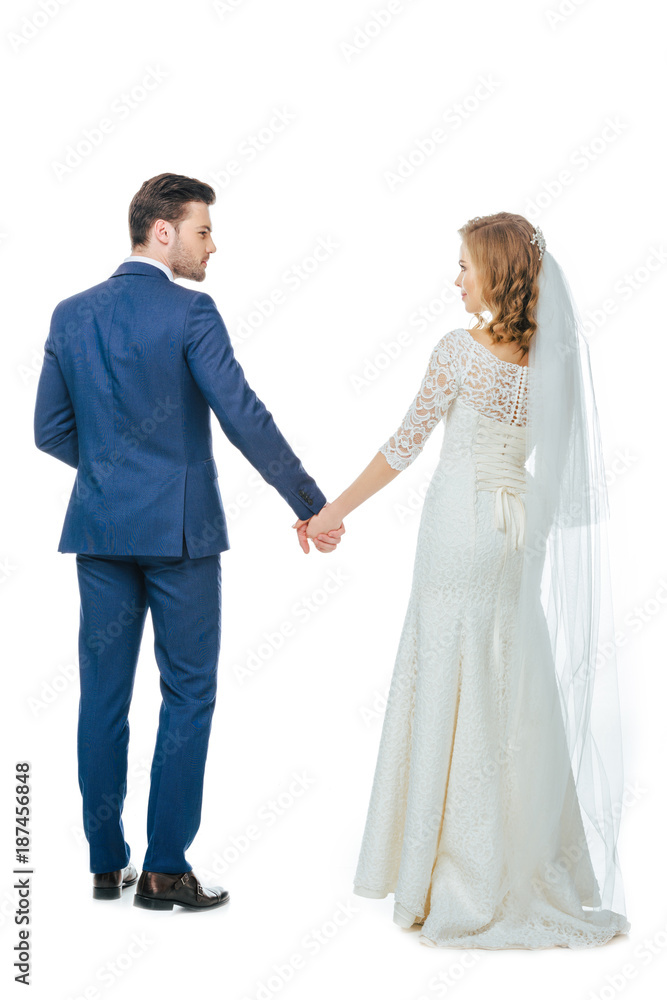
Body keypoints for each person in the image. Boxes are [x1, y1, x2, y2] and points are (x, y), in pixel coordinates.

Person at [295, 212, 631, 948]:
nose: (455, 277)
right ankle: (522, 860)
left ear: (496, 271)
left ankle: (446, 869)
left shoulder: (457, 352)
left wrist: (330, 512)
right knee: (509, 680)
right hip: (518, 531)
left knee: (446, 668)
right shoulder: (555, 356)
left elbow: (404, 444)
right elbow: (562, 458)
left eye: (463, 265)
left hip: (458, 527)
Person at [33, 172, 344, 911]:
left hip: (102, 531)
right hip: (180, 535)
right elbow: (242, 415)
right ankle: (166, 868)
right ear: (162, 232)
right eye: (204, 231)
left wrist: (113, 470)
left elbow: (48, 430)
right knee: (188, 692)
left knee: (101, 697)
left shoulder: (70, 314)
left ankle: (107, 863)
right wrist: (311, 502)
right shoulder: (191, 311)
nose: (213, 245)